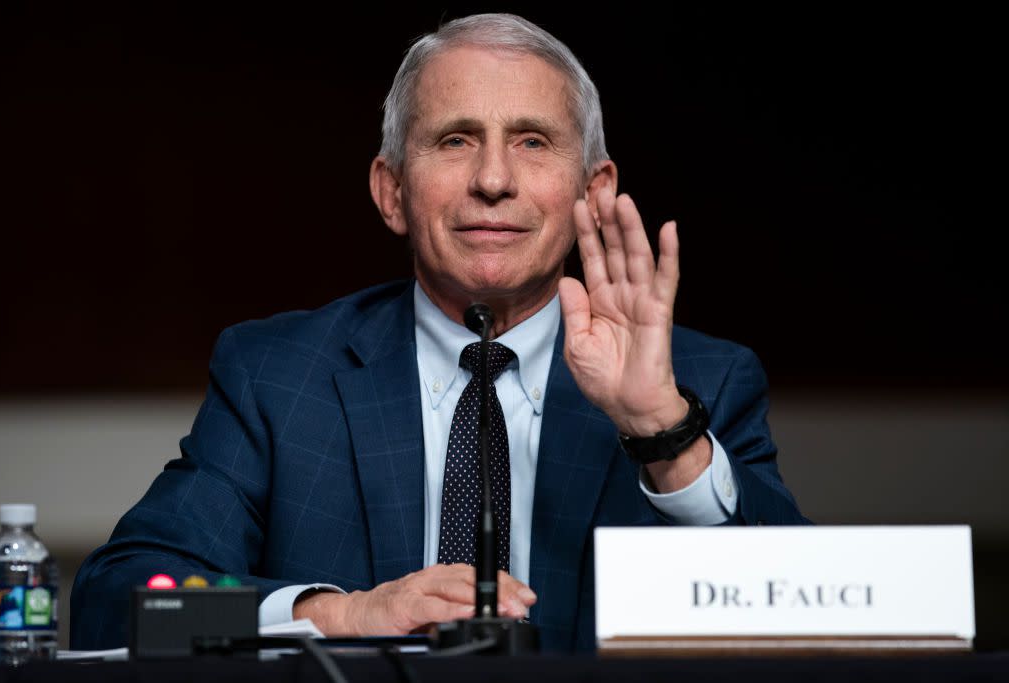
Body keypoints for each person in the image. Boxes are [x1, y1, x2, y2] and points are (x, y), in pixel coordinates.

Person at [70, 13, 807, 653]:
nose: (493, 179)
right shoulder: (278, 376)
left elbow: (817, 619)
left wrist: (661, 433)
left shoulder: (699, 386)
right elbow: (116, 600)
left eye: (532, 142)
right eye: (456, 140)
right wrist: (340, 613)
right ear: (392, 191)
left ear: (594, 191)